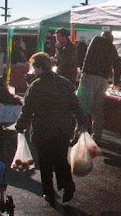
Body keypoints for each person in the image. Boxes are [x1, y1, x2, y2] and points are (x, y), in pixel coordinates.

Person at [15, 52, 86, 206]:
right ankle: (67, 185)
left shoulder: (36, 85)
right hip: (62, 128)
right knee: (61, 159)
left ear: (39, 68)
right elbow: (75, 104)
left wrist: (20, 126)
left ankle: (49, 192)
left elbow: (27, 110)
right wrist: (82, 121)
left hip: (43, 130)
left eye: (34, 68)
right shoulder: (64, 82)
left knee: (45, 163)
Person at [78, 31, 121, 144]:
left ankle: (80, 134)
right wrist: (116, 82)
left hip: (91, 76)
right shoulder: (112, 47)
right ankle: (97, 136)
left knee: (84, 106)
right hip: (103, 80)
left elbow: (88, 56)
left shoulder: (96, 40)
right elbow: (118, 64)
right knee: (97, 109)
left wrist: (83, 72)